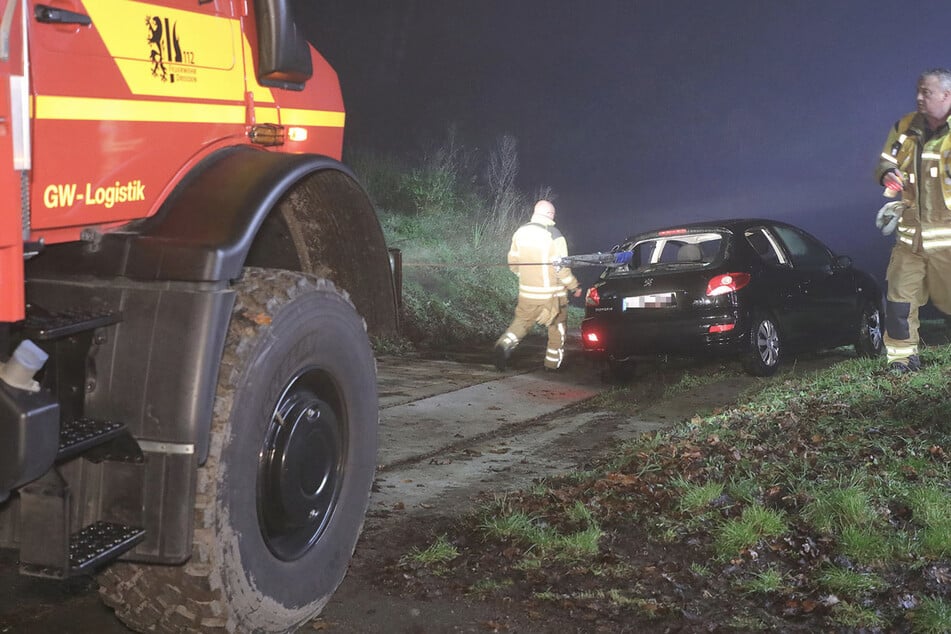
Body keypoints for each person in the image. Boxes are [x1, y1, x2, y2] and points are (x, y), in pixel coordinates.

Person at [875, 68, 951, 374]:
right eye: (918, 91)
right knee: (899, 299)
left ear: (947, 95)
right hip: (910, 236)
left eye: (927, 93)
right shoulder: (904, 127)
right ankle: (902, 360)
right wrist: (886, 174)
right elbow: (886, 161)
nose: (919, 98)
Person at [494, 200, 582, 371]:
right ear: (550, 215)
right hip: (552, 297)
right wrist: (574, 286)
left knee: (521, 323)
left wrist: (525, 276)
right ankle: (552, 365)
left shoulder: (520, 232)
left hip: (527, 293)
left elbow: (513, 262)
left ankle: (503, 345)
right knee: (557, 328)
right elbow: (561, 268)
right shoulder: (555, 235)